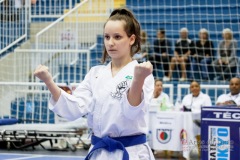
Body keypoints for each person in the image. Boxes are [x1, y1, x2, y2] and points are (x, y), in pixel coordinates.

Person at [34, 8, 155, 160]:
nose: (110, 43)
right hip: (99, 153)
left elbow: (132, 112)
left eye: (117, 37)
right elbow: (74, 109)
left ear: (131, 39)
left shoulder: (142, 72)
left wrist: (138, 80)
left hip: (131, 152)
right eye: (107, 37)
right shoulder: (95, 74)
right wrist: (49, 82)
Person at [181, 80, 212, 157]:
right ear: (190, 88)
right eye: (192, 87)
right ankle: (185, 153)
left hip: (200, 123)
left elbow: (208, 111)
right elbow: (181, 108)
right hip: (187, 122)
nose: (194, 88)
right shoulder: (186, 97)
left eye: (196, 86)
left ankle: (200, 154)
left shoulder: (205, 97)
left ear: (200, 87)